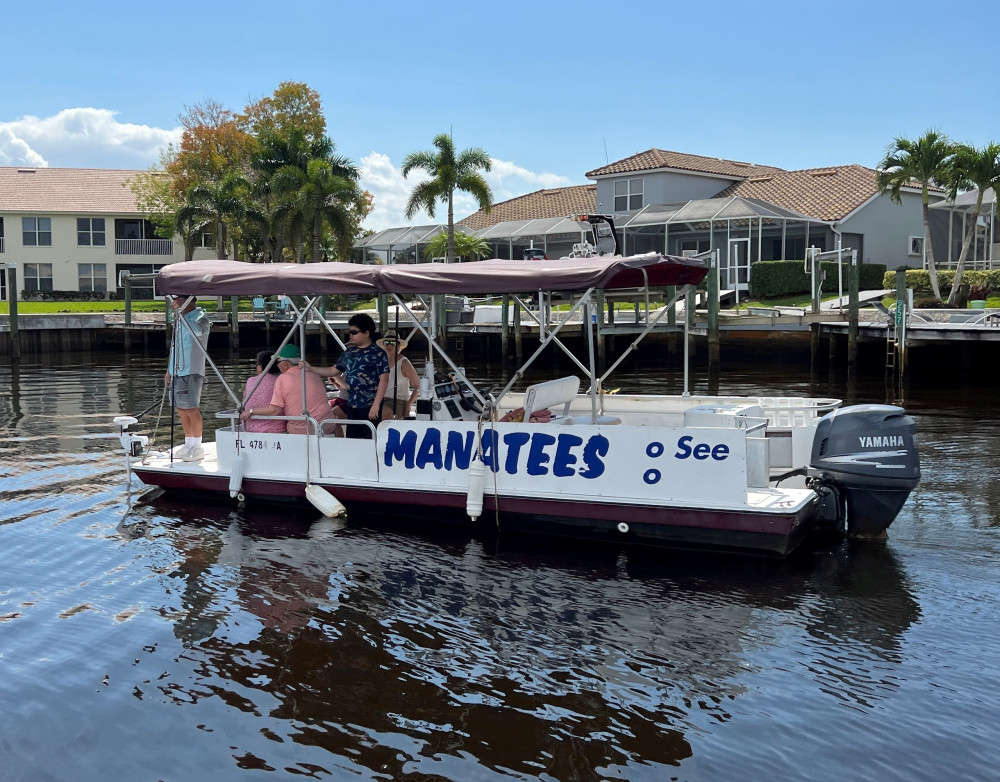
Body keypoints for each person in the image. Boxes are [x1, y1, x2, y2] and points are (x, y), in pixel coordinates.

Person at [305, 313, 388, 440]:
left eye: (354, 332)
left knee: (371, 439)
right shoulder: (349, 353)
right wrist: (310, 368)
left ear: (366, 333)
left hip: (370, 404)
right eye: (350, 332)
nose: (350, 335)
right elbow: (333, 370)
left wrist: (376, 404)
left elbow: (384, 379)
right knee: (352, 439)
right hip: (352, 403)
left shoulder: (378, 353)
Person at [239, 344, 332, 435]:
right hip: (327, 425)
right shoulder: (314, 374)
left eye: (278, 362)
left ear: (285, 364)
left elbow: (274, 410)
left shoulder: (282, 378)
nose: (277, 366)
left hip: (302, 430)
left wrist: (251, 411)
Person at [165, 294, 211, 461]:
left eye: (178, 300)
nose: (174, 302)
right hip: (177, 370)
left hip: (192, 370)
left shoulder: (200, 317)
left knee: (191, 408)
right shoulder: (179, 319)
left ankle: (197, 446)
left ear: (187, 301)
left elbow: (197, 331)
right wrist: (169, 371)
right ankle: (188, 443)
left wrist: (182, 314)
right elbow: (175, 345)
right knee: (181, 409)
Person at [376, 330, 420, 420]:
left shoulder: (404, 363)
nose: (389, 345)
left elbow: (418, 386)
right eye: (386, 343)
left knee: (384, 412)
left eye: (393, 343)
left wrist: (409, 405)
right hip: (381, 399)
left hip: (398, 401)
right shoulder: (380, 362)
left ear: (398, 346)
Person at [241, 351, 286, 434]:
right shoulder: (280, 381)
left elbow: (244, 401)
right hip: (278, 429)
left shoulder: (250, 381)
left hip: (251, 428)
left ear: (260, 367)